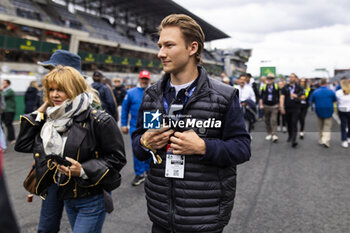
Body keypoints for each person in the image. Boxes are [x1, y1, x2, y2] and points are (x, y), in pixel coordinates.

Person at [132, 14, 251, 233]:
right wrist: (144, 142)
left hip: (204, 219)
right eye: (160, 46)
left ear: (192, 48)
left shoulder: (225, 96)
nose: (160, 53)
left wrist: (203, 147)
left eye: (169, 45)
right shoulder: (151, 95)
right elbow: (138, 148)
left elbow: (242, 148)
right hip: (160, 216)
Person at [15, 66, 126, 233]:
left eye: (61, 89)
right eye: (51, 90)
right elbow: (23, 144)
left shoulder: (99, 120)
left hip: (92, 198)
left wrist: (82, 170)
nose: (54, 95)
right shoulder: (50, 120)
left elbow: (117, 158)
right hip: (66, 196)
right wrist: (42, 109)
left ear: (74, 88)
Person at [34, 49, 97, 233]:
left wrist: (86, 171)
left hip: (79, 178)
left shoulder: (92, 105)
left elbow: (107, 151)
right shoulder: (50, 103)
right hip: (52, 172)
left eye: (52, 69)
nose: (49, 74)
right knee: (46, 227)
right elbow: (28, 136)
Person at [121, 70, 151, 186]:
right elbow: (124, 109)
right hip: (135, 126)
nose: (144, 81)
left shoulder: (155, 91)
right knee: (137, 150)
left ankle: (149, 171)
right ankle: (139, 174)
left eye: (146, 79)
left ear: (149, 80)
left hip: (151, 124)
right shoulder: (130, 92)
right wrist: (124, 124)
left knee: (151, 149)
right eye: (142, 79)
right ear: (139, 79)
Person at [309, 78, 337, 148]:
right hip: (328, 110)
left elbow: (311, 101)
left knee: (320, 126)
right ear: (326, 83)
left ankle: (321, 139)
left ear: (320, 84)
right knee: (327, 126)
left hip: (319, 110)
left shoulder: (316, 91)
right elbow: (335, 100)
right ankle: (326, 140)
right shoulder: (331, 91)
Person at [280, 73, 304, 147]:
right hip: (287, 108)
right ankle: (290, 135)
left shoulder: (299, 87)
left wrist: (297, 96)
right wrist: (281, 107)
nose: (291, 78)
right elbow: (282, 97)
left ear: (296, 78)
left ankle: (294, 140)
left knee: (294, 123)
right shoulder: (285, 87)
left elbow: (303, 97)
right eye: (290, 77)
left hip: (296, 108)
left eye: (293, 77)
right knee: (289, 123)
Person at [259, 73, 280, 142]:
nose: (269, 80)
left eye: (271, 78)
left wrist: (279, 105)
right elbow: (261, 97)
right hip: (266, 105)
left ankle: (275, 135)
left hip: (274, 106)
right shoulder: (264, 87)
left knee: (274, 120)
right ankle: (269, 133)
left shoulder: (276, 87)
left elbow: (279, 97)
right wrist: (261, 105)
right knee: (267, 120)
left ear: (273, 79)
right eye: (268, 78)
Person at [335, 79, 350, 148]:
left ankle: (344, 140)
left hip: (342, 109)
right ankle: (349, 137)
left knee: (343, 126)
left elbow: (336, 101)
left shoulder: (338, 92)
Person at [1, 79, 16, 144]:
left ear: (8, 84)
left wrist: (1, 89)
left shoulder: (10, 91)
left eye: (4, 83)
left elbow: (4, 95)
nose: (3, 84)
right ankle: (5, 138)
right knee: (3, 125)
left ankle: (12, 138)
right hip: (4, 110)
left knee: (8, 124)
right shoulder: (4, 90)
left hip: (9, 110)